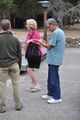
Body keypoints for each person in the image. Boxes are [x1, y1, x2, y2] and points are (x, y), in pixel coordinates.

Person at [35, 18, 65, 104]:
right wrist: (43, 42)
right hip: (54, 58)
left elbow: (49, 46)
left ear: (53, 25)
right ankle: (50, 93)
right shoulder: (59, 32)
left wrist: (40, 42)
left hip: (54, 59)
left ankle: (57, 97)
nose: (48, 29)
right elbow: (50, 45)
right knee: (51, 78)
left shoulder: (56, 33)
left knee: (54, 79)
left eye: (49, 27)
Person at [0, 19, 23, 113]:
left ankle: (2, 107)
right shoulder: (15, 39)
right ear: (10, 27)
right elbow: (19, 54)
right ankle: (18, 105)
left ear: (1, 27)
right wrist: (20, 65)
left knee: (2, 85)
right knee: (16, 84)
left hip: (2, 65)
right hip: (14, 64)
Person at [25, 19, 42, 92]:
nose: (26, 26)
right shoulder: (29, 33)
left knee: (29, 69)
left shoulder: (35, 33)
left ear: (30, 25)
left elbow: (40, 43)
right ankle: (33, 85)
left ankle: (37, 85)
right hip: (30, 53)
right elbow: (27, 43)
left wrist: (31, 41)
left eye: (27, 24)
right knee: (31, 69)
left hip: (35, 54)